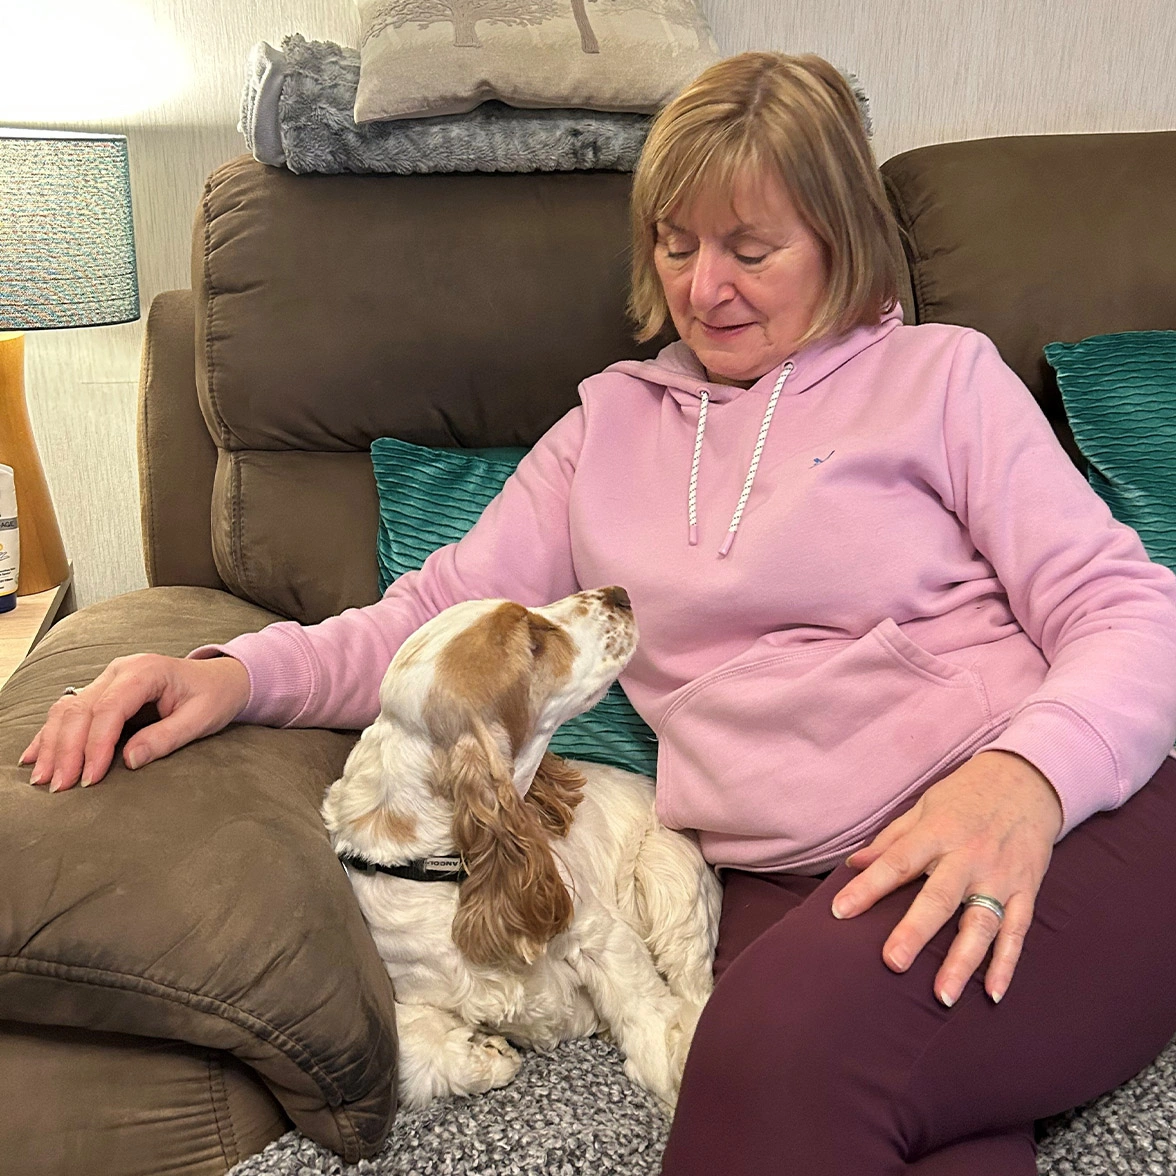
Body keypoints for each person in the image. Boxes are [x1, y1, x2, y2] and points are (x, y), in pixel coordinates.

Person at [22, 52, 1176, 1175]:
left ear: (844, 242)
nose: (702, 286)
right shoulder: (606, 429)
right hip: (787, 874)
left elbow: (1129, 607)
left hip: (1059, 821)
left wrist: (1024, 781)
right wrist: (224, 674)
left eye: (751, 249)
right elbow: (431, 614)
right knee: (891, 1113)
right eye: (676, 245)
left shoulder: (944, 379)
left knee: (774, 1066)